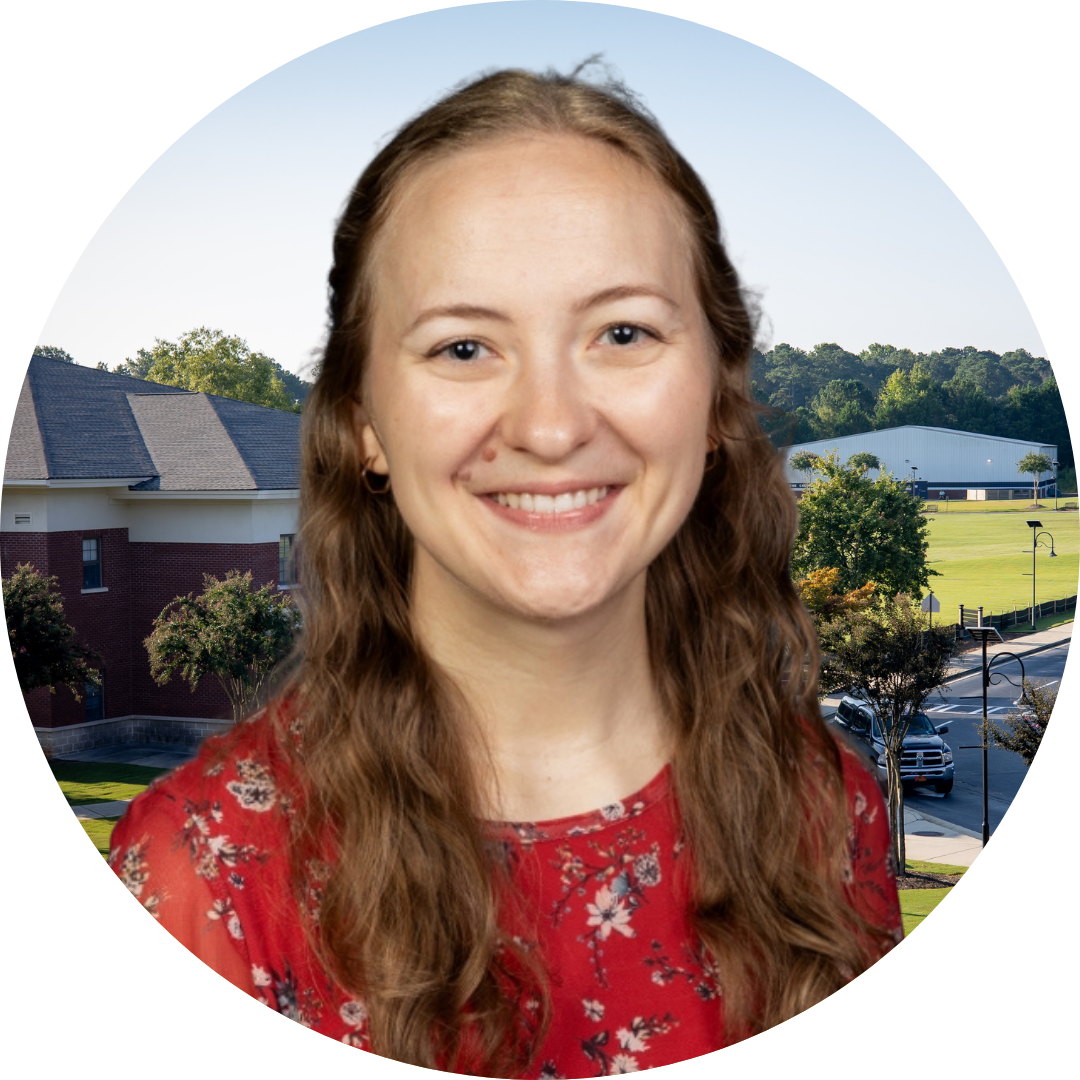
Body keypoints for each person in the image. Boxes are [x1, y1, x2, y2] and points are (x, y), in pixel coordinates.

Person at [108, 65, 902, 1074]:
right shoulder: (196, 879)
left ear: (714, 397)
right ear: (364, 423)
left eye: (623, 333)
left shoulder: (823, 806)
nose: (553, 426)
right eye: (465, 347)